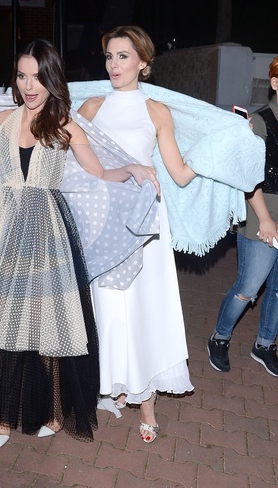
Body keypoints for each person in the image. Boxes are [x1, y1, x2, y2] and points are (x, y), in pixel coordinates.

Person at [0, 39, 161, 447]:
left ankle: (53, 411)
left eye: (37, 77)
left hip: (48, 233)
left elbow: (99, 173)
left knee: (47, 322)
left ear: (51, 79)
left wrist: (132, 169)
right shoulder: (4, 120)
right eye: (21, 76)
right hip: (3, 230)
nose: (29, 86)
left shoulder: (65, 123)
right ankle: (0, 413)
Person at [78, 26, 196, 444]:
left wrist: (221, 151)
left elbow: (179, 173)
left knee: (145, 307)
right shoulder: (91, 107)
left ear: (143, 62)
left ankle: (146, 403)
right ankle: (113, 382)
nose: (114, 64)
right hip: (104, 219)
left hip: (145, 220)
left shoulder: (156, 111)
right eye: (110, 56)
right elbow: (75, 162)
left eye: (123, 56)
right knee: (108, 308)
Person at [208, 56, 278, 377]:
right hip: (263, 213)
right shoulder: (260, 121)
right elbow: (249, 177)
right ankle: (220, 337)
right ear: (275, 83)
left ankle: (264, 344)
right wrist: (265, 219)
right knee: (249, 286)